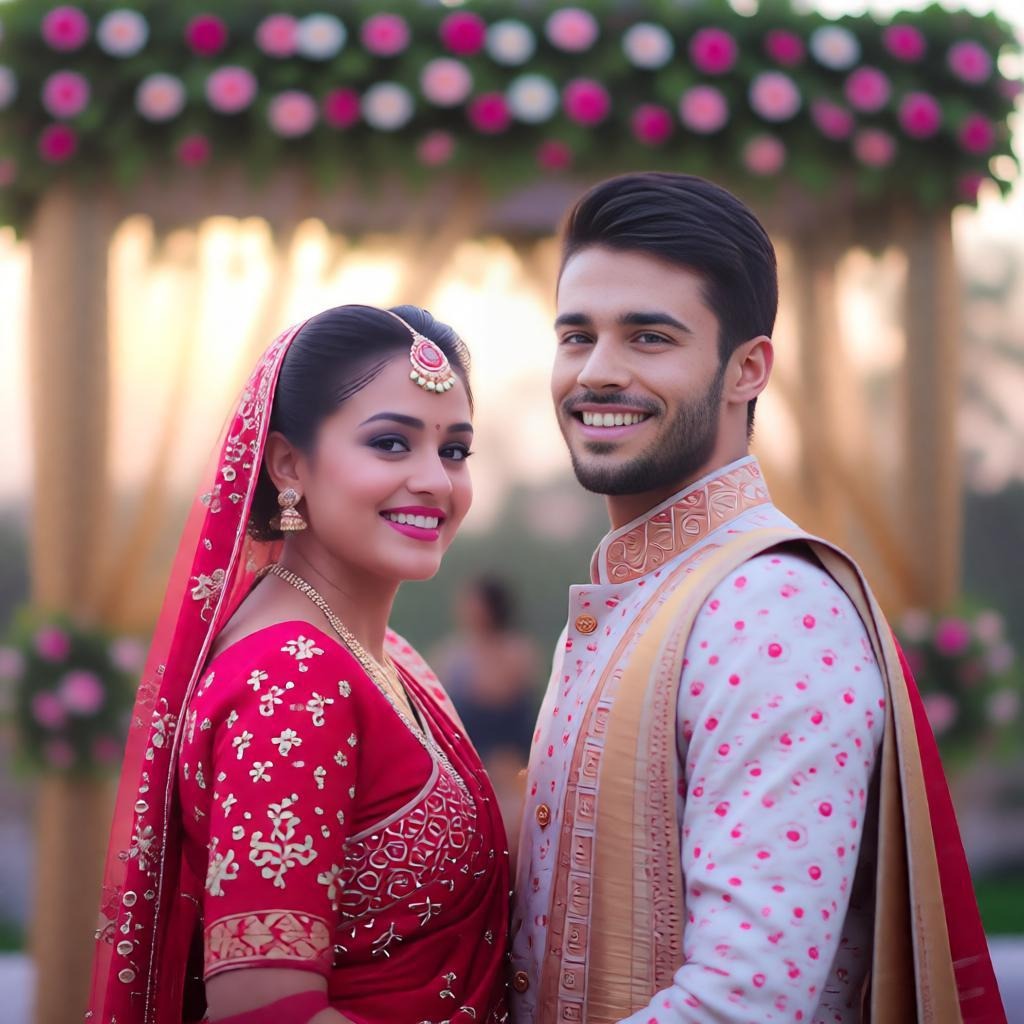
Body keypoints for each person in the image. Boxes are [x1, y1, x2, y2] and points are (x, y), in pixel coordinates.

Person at [510, 173, 1006, 1023]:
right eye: (576, 335)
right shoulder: (628, 596)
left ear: (748, 368)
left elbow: (743, 1004)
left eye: (649, 337)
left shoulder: (771, 608)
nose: (597, 372)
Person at [87, 304, 511, 1024]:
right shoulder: (291, 677)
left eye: (455, 451)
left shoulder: (387, 656)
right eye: (390, 443)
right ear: (288, 463)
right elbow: (265, 1008)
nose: (436, 481)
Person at [432, 576, 540, 843]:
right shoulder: (452, 653)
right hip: (461, 761)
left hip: (506, 761)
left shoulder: (515, 652)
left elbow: (514, 712)